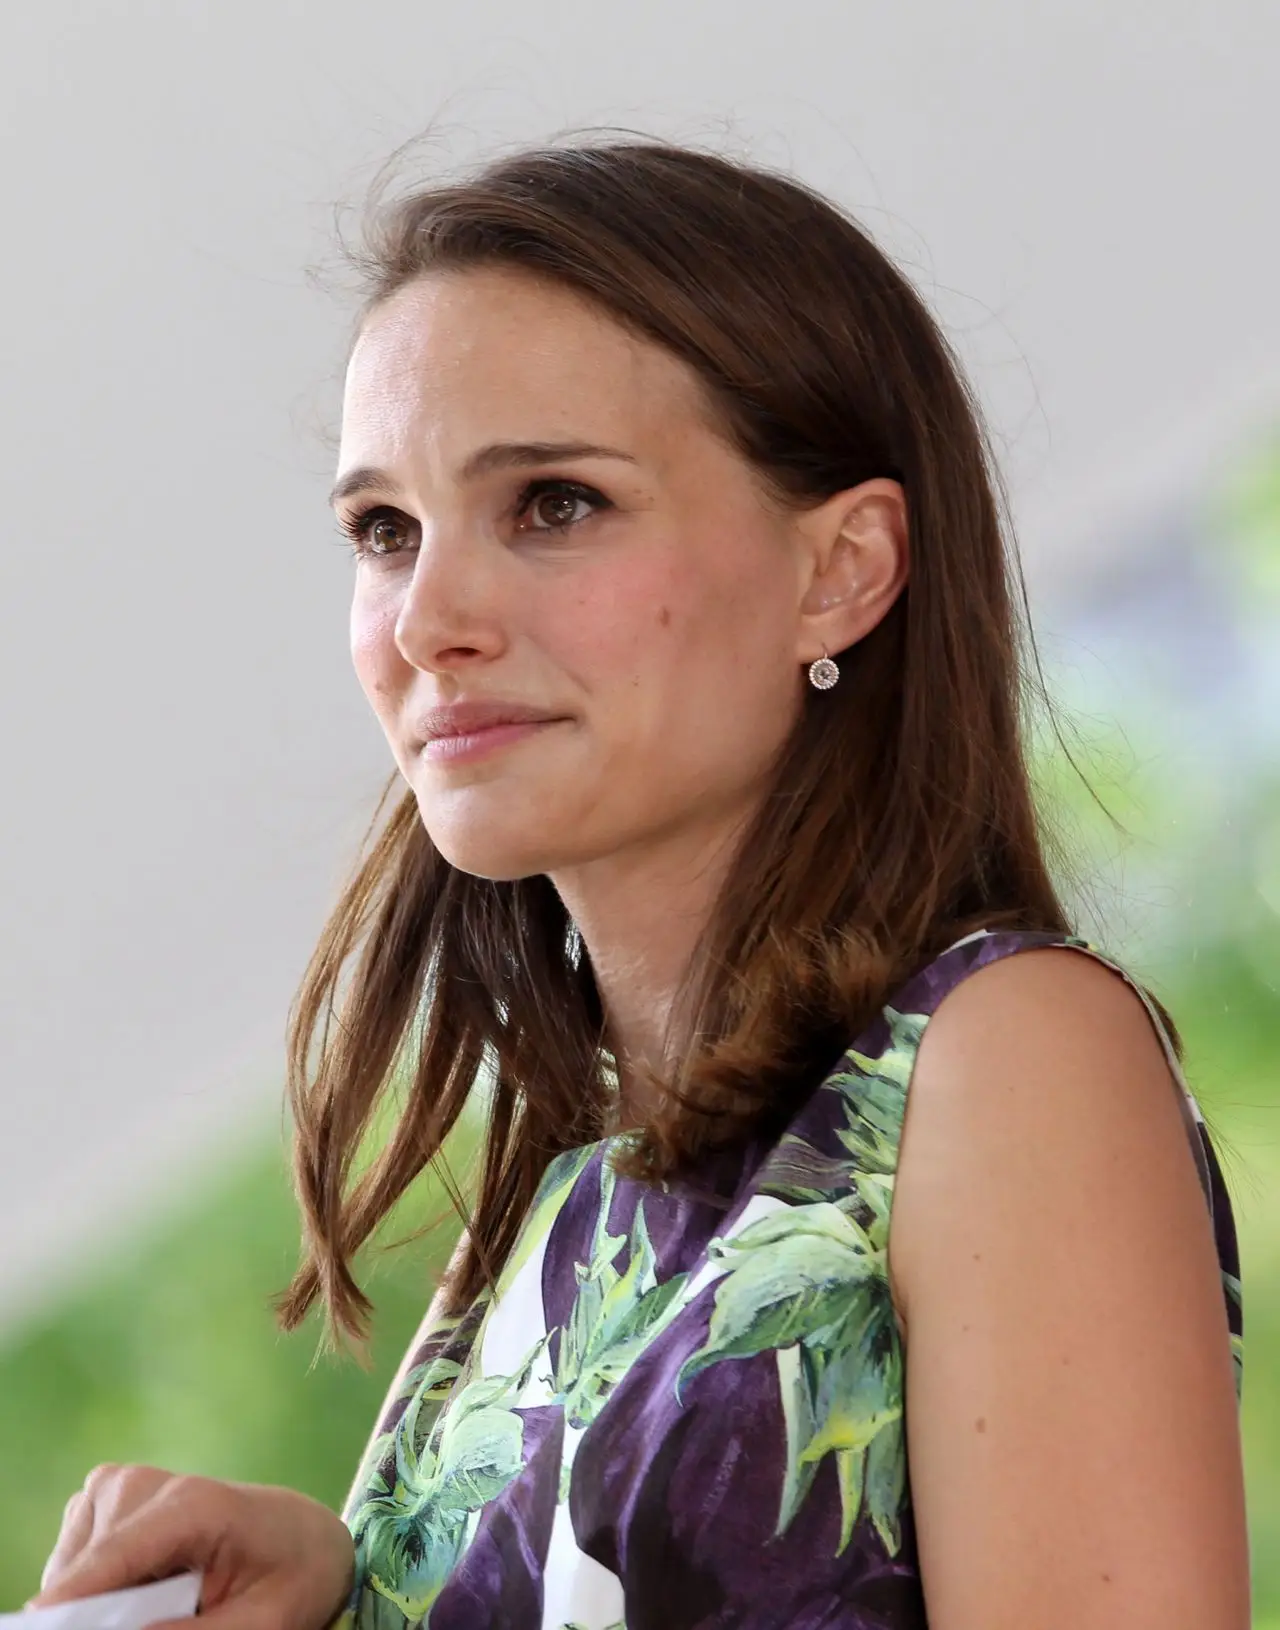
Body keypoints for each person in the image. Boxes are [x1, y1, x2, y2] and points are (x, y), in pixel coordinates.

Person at [30, 136, 1249, 1629]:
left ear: (843, 568)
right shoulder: (544, 1216)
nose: (428, 617)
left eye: (552, 502)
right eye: (383, 531)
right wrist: (350, 1596)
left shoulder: (1002, 1060)